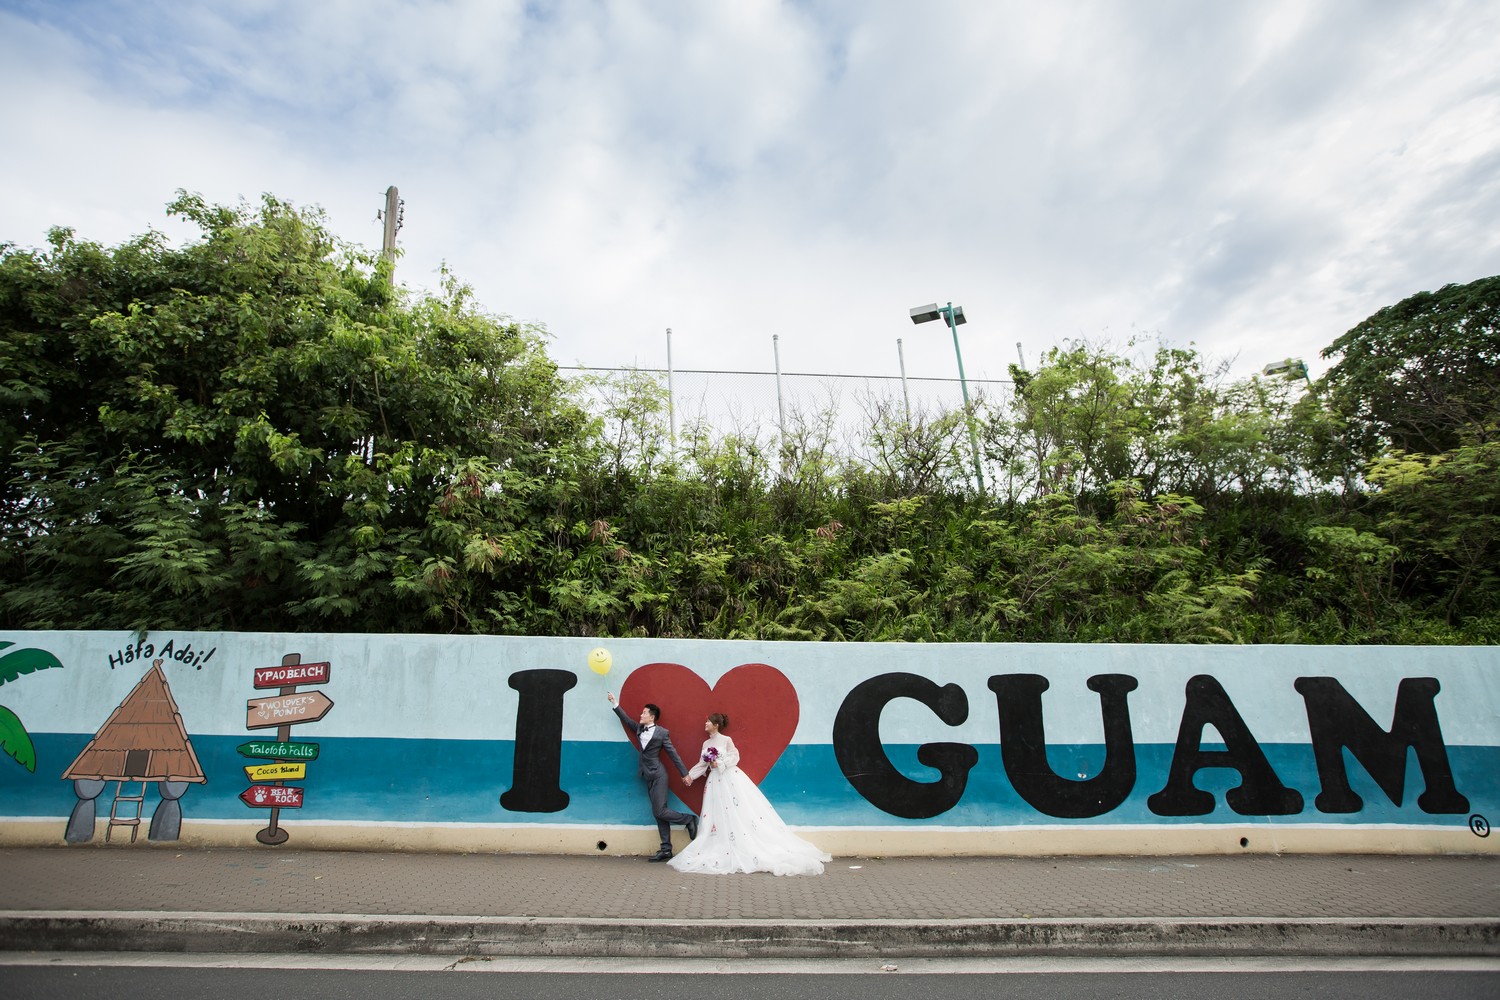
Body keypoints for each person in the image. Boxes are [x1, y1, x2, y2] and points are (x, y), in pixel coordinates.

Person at [672, 712, 831, 876]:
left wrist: (718, 762)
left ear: (716, 725)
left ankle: (739, 842)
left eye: (708, 722)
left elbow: (735, 756)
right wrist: (690, 776)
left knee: (735, 810)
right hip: (714, 781)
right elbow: (702, 764)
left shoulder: (726, 740)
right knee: (717, 812)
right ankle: (722, 844)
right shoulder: (706, 743)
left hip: (728, 778)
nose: (705, 724)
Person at [607, 691, 698, 861]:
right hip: (647, 775)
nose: (641, 715)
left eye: (644, 713)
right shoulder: (640, 728)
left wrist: (684, 774)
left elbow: (673, 755)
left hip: (659, 775)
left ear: (652, 717)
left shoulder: (662, 733)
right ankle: (666, 849)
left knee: (659, 810)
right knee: (658, 813)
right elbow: (626, 721)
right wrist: (615, 702)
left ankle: (688, 819)